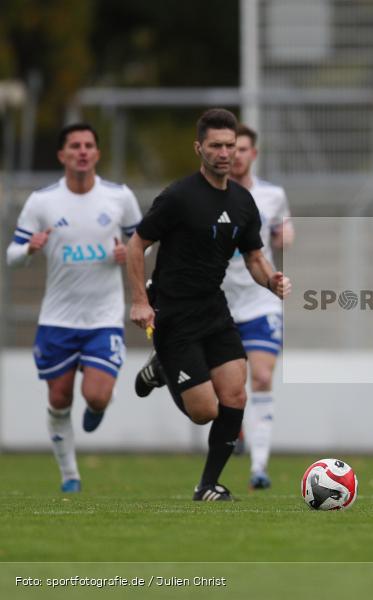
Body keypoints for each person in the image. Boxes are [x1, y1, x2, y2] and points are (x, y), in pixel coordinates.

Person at [126, 108, 290, 501]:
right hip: (174, 312)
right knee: (205, 411)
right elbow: (136, 244)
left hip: (214, 309)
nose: (224, 153)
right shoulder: (179, 196)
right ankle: (161, 368)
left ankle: (207, 485)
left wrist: (271, 279)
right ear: (199, 148)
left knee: (236, 396)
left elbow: (253, 256)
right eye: (215, 145)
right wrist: (139, 301)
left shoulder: (243, 202)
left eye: (230, 146)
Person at [6, 123, 141, 493]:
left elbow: (143, 243)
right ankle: (70, 476)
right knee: (59, 397)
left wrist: (126, 253)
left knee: (95, 394)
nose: (82, 151)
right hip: (57, 319)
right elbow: (12, 256)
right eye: (75, 146)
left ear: (97, 154)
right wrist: (30, 249)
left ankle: (99, 405)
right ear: (62, 155)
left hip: (104, 319)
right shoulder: (42, 202)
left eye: (88, 145)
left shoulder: (119, 197)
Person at [221, 124, 293, 490]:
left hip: (260, 299)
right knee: (228, 388)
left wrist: (286, 235)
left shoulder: (272, 195)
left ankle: (259, 468)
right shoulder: (209, 195)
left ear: (254, 154)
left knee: (262, 378)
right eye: (231, 149)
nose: (236, 155)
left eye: (243, 149)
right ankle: (240, 430)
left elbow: (285, 230)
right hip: (219, 303)